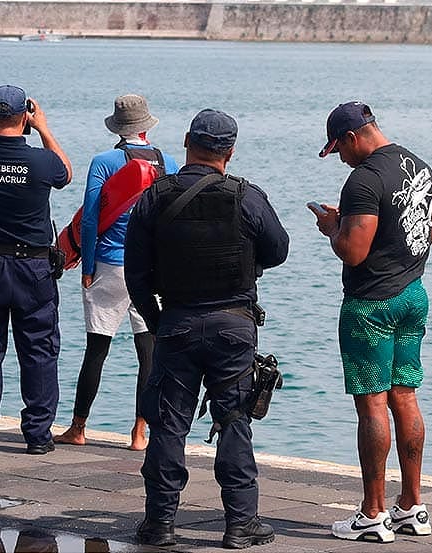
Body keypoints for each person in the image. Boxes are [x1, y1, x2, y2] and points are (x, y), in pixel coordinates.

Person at [125, 109, 290, 549]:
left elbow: (135, 273)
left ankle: (159, 523)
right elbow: (279, 250)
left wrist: (157, 321)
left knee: (167, 425)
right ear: (230, 152)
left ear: (185, 142)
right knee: (234, 419)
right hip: (234, 325)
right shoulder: (246, 196)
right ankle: (240, 524)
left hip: (176, 321)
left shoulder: (155, 196)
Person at [311, 101, 432, 543]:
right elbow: (429, 230)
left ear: (351, 137)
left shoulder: (363, 181)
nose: (341, 159)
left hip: (371, 305)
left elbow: (353, 251)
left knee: (372, 404)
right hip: (413, 294)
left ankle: (373, 513)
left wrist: (333, 226)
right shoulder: (419, 166)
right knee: (405, 396)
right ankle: (413, 506)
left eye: (338, 149)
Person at [54, 94, 178, 451]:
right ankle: (140, 432)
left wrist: (87, 265)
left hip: (109, 264)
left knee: (97, 348)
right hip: (151, 267)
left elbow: (92, 217)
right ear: (146, 126)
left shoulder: (104, 161)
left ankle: (78, 428)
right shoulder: (167, 162)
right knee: (148, 352)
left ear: (118, 127)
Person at [0, 85, 72, 456]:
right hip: (33, 266)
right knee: (38, 348)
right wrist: (43, 128)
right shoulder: (41, 162)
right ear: (25, 116)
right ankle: (38, 434)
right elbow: (66, 173)